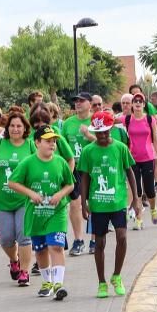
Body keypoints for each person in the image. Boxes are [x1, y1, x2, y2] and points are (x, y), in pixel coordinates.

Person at [78, 111, 140, 298]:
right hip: (98, 204)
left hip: (118, 200)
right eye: (99, 133)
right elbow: (85, 178)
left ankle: (117, 276)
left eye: (105, 132)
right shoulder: (88, 151)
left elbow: (130, 172)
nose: (102, 136)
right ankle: (102, 282)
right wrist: (83, 203)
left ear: (111, 129)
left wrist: (135, 198)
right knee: (100, 242)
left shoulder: (120, 148)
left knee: (121, 236)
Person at [7, 126, 74, 300]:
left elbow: (70, 184)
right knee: (41, 249)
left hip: (56, 213)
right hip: (36, 214)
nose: (52, 145)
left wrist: (60, 194)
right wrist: (31, 193)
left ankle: (59, 284)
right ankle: (47, 282)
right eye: (47, 141)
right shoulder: (27, 163)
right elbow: (13, 182)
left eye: (54, 141)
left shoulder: (60, 162)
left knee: (56, 246)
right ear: (37, 142)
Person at [0, 112, 35, 287]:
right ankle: (14, 260)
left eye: (19, 126)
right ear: (7, 128)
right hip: (3, 200)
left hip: (24, 199)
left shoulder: (30, 145)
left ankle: (25, 272)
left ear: (25, 128)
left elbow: (37, 166)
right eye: (12, 126)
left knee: (24, 237)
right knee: (6, 238)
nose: (15, 129)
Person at [62, 93, 95, 257]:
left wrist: (89, 136)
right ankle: (78, 240)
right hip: (74, 169)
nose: (78, 103)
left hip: (92, 168)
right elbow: (62, 147)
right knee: (75, 205)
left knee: (93, 205)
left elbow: (105, 142)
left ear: (90, 104)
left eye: (82, 101)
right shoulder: (68, 123)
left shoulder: (96, 121)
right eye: (76, 101)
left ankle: (95, 238)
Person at [124, 93, 157, 229]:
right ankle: (139, 219)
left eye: (140, 101)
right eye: (135, 101)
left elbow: (156, 141)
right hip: (133, 159)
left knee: (150, 190)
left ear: (144, 104)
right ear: (132, 104)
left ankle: (153, 208)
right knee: (137, 191)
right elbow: (111, 120)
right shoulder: (127, 119)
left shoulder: (150, 120)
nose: (138, 103)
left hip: (148, 158)